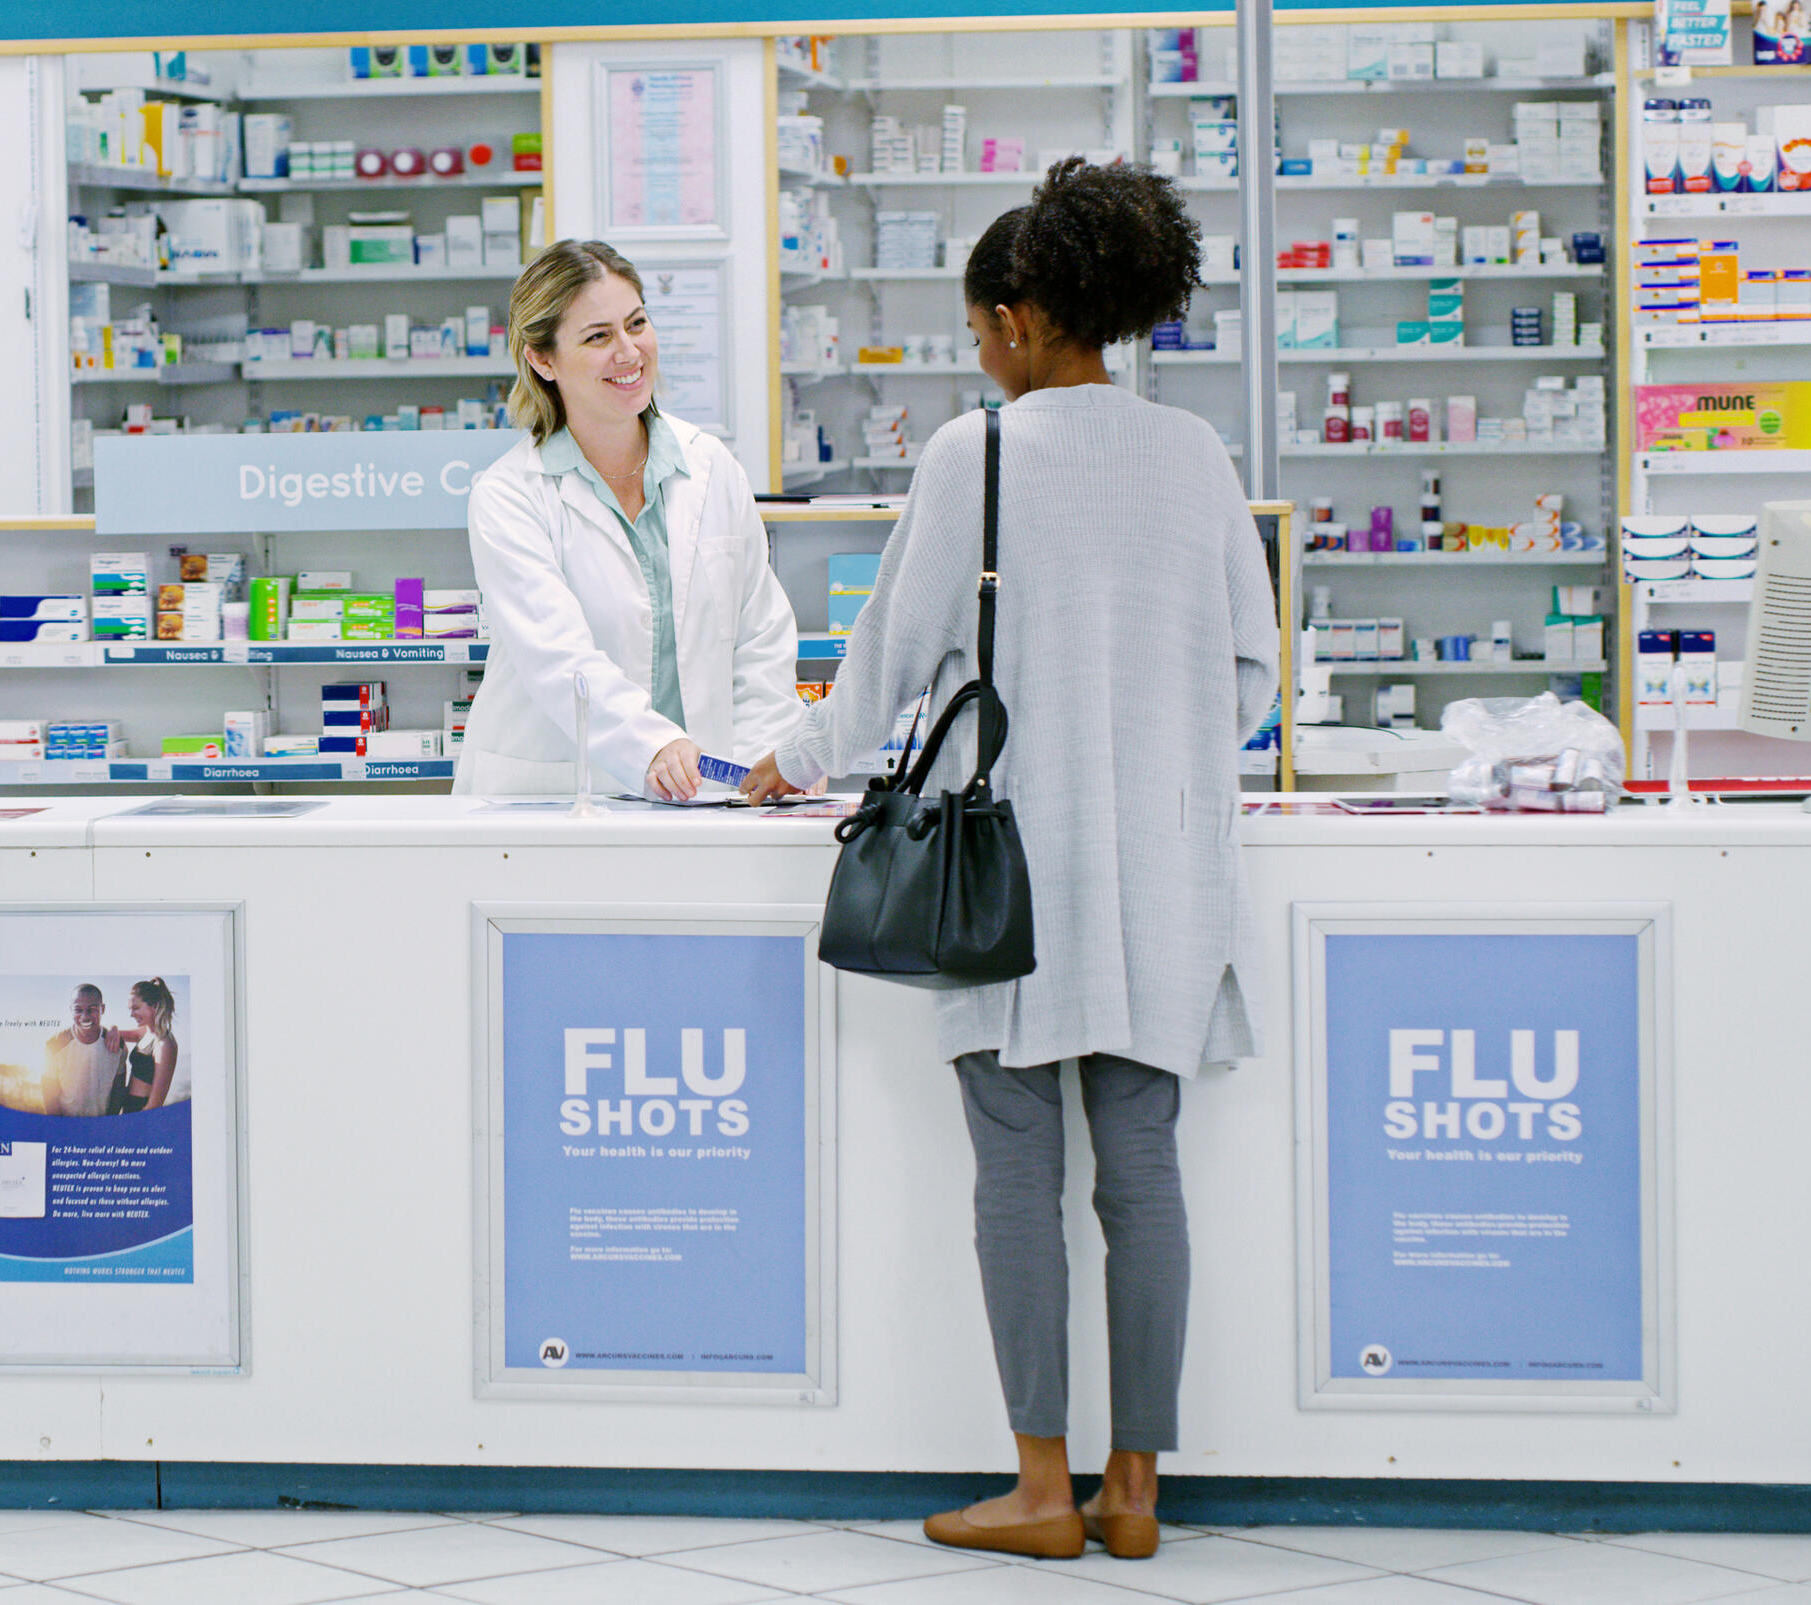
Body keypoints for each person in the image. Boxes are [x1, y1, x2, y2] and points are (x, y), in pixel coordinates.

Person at [741, 159, 1278, 1561]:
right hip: (1163, 876)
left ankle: (1040, 1491)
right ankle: (1137, 1496)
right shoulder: (1197, 457)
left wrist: (782, 765)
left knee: (1014, 1181)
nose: (978, 349)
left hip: (1007, 880)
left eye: (981, 324)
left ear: (1024, 317)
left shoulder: (973, 457)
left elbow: (876, 689)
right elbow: (1252, 677)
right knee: (1143, 1178)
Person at [456, 240, 806, 799]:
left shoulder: (710, 465)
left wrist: (769, 758)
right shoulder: (510, 495)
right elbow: (558, 657)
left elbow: (759, 633)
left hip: (708, 790)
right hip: (557, 795)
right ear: (542, 359)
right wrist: (651, 746)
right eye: (598, 337)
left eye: (637, 323)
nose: (629, 352)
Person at [43, 985, 126, 1118]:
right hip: (67, 1125)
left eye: (92, 1009)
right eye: (78, 1010)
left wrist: (108, 1124)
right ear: (71, 1010)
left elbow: (118, 1091)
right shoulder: (55, 1045)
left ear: (102, 1009)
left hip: (101, 1126)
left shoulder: (118, 1045)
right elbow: (49, 1096)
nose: (85, 1016)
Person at [106, 978, 179, 1113]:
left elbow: (156, 1103)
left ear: (155, 1006)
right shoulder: (146, 1032)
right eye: (130, 1009)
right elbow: (114, 1034)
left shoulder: (164, 1044)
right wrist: (113, 1027)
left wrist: (137, 1122)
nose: (131, 1014)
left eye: (136, 1008)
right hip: (128, 1105)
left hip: (142, 1111)